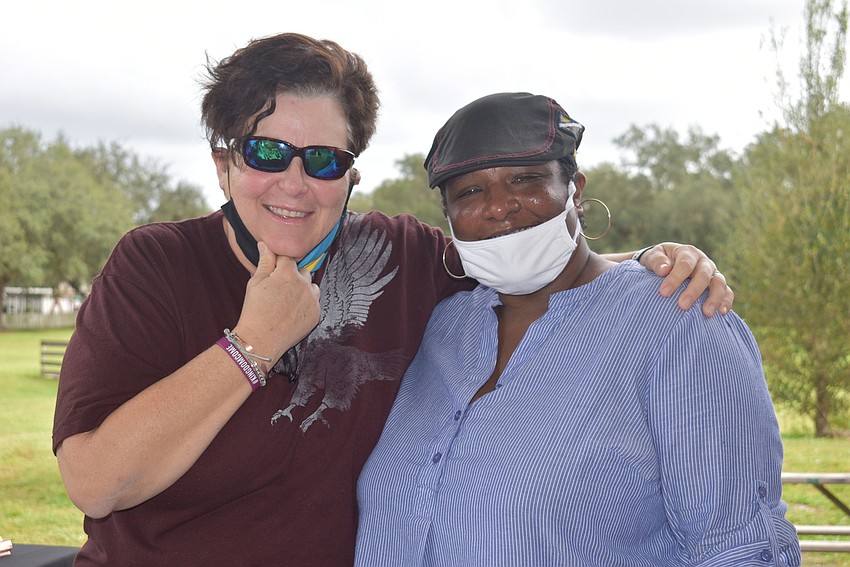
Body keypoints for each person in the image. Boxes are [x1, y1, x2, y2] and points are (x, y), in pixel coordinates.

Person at [52, 35, 733, 566]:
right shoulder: (155, 265)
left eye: (322, 161)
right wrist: (252, 343)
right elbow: (95, 481)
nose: (294, 183)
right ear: (224, 163)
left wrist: (652, 261)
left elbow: (523, 254)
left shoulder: (403, 257)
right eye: (266, 152)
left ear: (350, 176)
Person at [355, 92, 800, 566]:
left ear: (575, 189)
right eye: (469, 192)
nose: (498, 207)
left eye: (525, 180)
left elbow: (738, 547)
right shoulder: (444, 326)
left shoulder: (678, 319)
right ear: (447, 216)